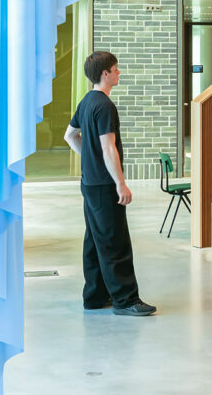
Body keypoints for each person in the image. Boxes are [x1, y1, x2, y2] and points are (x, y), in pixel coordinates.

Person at [64, 51, 156, 316]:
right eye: (116, 69)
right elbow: (108, 148)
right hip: (105, 186)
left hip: (90, 183)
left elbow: (70, 135)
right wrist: (121, 184)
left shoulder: (86, 101)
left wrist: (89, 158)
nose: (119, 73)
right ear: (105, 73)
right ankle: (125, 300)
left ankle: (95, 296)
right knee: (115, 242)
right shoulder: (104, 105)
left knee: (94, 240)